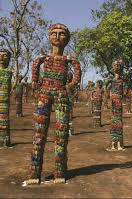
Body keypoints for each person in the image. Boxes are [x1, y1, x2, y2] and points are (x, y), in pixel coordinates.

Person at [25, 23, 81, 185]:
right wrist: (35, 84)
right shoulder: (44, 58)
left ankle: (59, 172)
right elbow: (35, 66)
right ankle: (34, 172)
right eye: (54, 33)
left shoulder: (68, 60)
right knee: (39, 133)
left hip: (61, 95)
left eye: (62, 33)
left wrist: (70, 86)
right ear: (49, 37)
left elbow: (77, 70)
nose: (57, 36)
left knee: (61, 133)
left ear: (67, 39)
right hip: (44, 94)